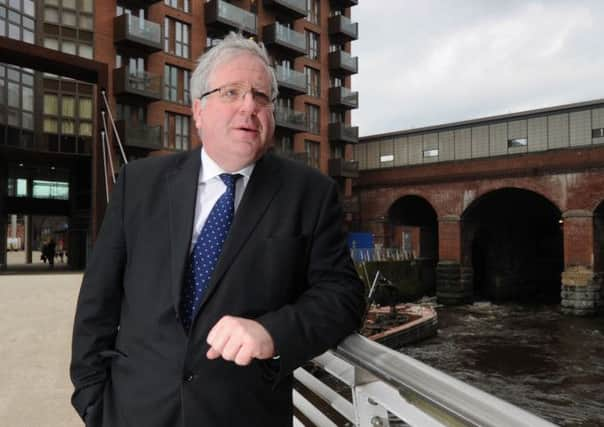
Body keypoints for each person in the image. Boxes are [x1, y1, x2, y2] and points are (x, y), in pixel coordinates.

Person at [70, 33, 365, 427]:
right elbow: (97, 301)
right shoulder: (139, 183)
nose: (249, 106)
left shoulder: (311, 193)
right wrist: (92, 403)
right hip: (133, 411)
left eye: (261, 97)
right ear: (198, 110)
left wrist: (272, 333)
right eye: (232, 92)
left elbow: (343, 296)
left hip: (244, 414)